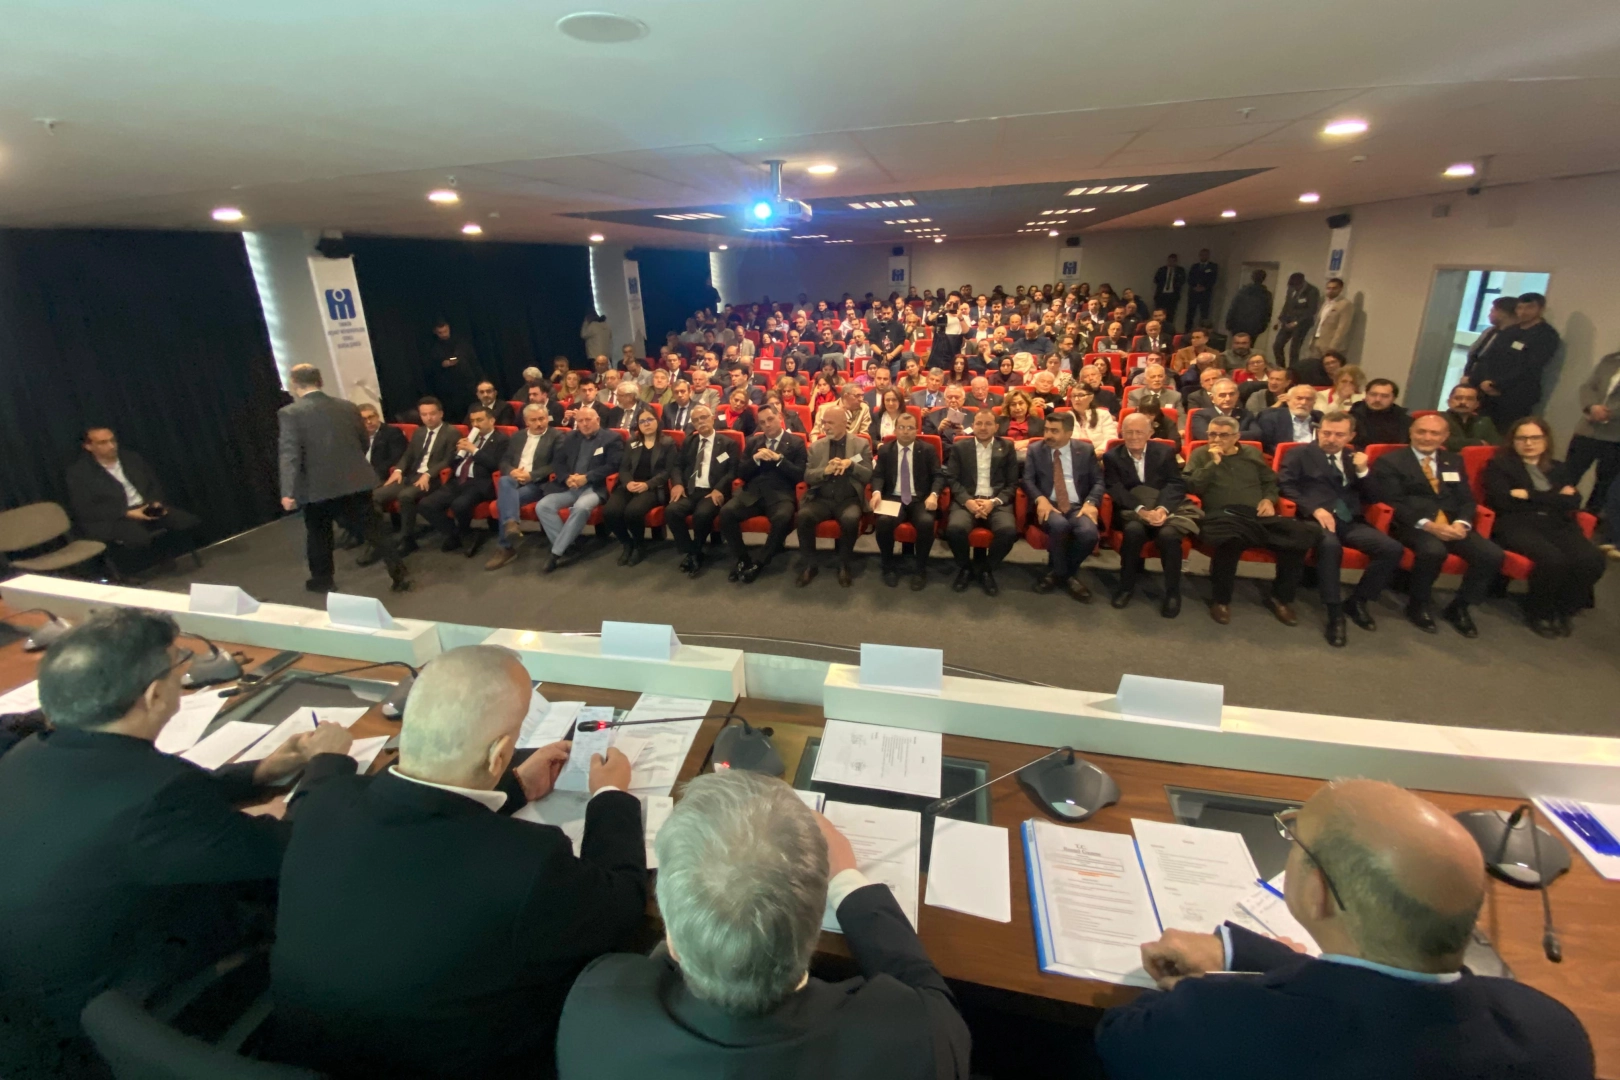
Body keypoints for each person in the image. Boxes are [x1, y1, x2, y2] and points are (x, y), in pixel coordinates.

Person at [268, 646, 645, 1080]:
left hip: (309, 1058)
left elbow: (427, 819)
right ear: (499, 754)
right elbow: (623, 904)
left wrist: (516, 787)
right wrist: (610, 796)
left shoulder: (325, 801)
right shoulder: (527, 863)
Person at [0, 609, 354, 1034]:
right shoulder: (160, 797)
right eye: (177, 667)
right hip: (120, 1007)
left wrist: (261, 772)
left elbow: (144, 796)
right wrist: (329, 765)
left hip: (38, 988)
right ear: (154, 695)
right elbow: (297, 847)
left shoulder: (30, 754)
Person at [1096, 778, 1594, 1080]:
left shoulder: (1217, 1022)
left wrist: (1202, 988)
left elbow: (1121, 1039)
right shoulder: (1553, 1035)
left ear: (1318, 892)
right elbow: (1374, 1000)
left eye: (1295, 838)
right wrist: (1252, 958)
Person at [555, 771, 970, 1080]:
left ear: (673, 943)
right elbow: (931, 999)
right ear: (814, 928)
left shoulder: (592, 1010)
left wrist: (705, 930)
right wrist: (846, 879)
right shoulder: (913, 1042)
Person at [1370, 413, 1506, 636]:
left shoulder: (1453, 461)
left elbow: (1467, 499)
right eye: (1421, 432)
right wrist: (1429, 526)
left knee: (1491, 555)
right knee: (1433, 551)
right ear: (1411, 433)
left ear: (1445, 436)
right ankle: (1418, 605)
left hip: (1453, 524)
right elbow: (1393, 502)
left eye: (1434, 433)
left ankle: (1460, 607)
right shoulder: (1391, 461)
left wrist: (1462, 523)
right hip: (1413, 524)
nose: (1427, 437)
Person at [1279, 412, 1406, 647]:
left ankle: (1358, 601)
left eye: (1339, 435)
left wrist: (1363, 471)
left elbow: (1374, 497)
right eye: (1326, 433)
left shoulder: (1353, 458)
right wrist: (1314, 509)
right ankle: (1334, 612)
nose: (1331, 439)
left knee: (1392, 548)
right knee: (1330, 546)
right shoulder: (1299, 453)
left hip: (1349, 519)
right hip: (1314, 520)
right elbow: (1286, 486)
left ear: (1350, 436)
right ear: (1318, 431)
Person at [278, 365, 408, 592]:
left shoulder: (290, 413)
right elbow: (363, 442)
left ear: (294, 383)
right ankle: (398, 574)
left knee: (319, 535)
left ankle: (323, 580)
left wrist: (288, 491)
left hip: (317, 487)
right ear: (320, 381)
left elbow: (290, 454)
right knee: (375, 530)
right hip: (355, 479)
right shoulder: (347, 407)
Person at [1184, 417, 1321, 625]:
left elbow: (1270, 481)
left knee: (1300, 535)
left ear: (1236, 437)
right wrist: (1213, 463)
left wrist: (1269, 499)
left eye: (1223, 435)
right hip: (1222, 516)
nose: (1217, 439)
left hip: (1255, 516)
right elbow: (1191, 486)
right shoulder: (1201, 454)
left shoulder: (1251, 454)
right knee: (1230, 539)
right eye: (1212, 434)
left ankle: (1281, 599)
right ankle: (1221, 601)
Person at [1486, 417, 1607, 637]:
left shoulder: (1558, 468)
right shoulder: (1500, 466)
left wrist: (1528, 495)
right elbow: (1503, 501)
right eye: (1522, 438)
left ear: (1545, 440)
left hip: (1558, 523)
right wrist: (1555, 497)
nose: (1528, 443)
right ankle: (1539, 612)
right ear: (1513, 441)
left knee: (1592, 559)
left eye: (1535, 438)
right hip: (1518, 524)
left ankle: (1563, 609)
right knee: (1553, 559)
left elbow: (1574, 501)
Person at [65, 426, 203, 563]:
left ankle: (168, 556)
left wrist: (155, 502)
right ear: (88, 446)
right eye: (103, 443)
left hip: (145, 505)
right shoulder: (79, 473)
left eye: (113, 440)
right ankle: (153, 563)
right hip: (116, 516)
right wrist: (127, 513)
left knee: (185, 520)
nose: (112, 446)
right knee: (137, 537)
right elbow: (86, 508)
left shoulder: (131, 458)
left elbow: (153, 484)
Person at [1105, 415, 1195, 616]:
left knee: (1169, 536)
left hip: (1163, 508)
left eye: (1139, 432)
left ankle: (1173, 593)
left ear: (1150, 434)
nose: (1134, 437)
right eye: (1129, 432)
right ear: (1121, 433)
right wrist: (1141, 510)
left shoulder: (1164, 452)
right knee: (1133, 530)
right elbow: (1115, 488)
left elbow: (1175, 483)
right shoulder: (1112, 457)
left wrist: (1162, 509)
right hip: (1132, 510)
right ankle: (1126, 587)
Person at [720, 405, 806, 583]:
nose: (767, 425)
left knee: (783, 518)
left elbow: (800, 475)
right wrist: (755, 460)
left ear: (780, 417)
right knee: (726, 512)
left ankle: (760, 562)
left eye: (770, 419)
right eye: (762, 422)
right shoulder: (753, 442)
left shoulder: (796, 443)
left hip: (780, 494)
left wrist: (779, 459)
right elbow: (741, 473)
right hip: (753, 493)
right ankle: (743, 558)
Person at [1023, 413, 1103, 600]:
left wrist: (1091, 502)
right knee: (1059, 525)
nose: (1048, 435)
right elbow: (1027, 480)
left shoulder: (1085, 450)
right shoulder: (1036, 450)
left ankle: (1059, 573)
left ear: (1069, 433)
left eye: (1054, 431)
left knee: (1089, 533)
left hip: (1078, 506)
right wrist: (1040, 499)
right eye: (1046, 430)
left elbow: (1098, 481)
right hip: (1049, 504)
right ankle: (1068, 577)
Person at [533, 407, 621, 572]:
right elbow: (558, 463)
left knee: (581, 507)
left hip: (594, 487)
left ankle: (555, 553)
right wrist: (567, 478)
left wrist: (587, 477)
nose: (584, 424)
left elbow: (613, 465)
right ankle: (567, 545)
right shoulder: (570, 437)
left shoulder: (611, 438)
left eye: (588, 420)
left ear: (597, 420)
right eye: (580, 421)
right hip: (570, 486)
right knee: (543, 506)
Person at [944, 408, 1018, 596]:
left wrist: (994, 502)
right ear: (973, 426)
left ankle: (986, 569)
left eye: (988, 423)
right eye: (979, 423)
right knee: (954, 529)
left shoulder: (1007, 447)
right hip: (968, 500)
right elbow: (951, 479)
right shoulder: (960, 447)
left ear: (996, 427)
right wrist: (967, 501)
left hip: (996, 502)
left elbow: (1012, 483)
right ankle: (966, 567)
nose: (983, 427)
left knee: (1008, 531)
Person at [795, 408, 872, 588]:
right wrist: (825, 471)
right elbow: (808, 476)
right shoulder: (816, 447)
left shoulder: (861, 445)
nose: (825, 426)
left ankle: (843, 564)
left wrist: (851, 464)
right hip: (821, 499)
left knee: (850, 519)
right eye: (824, 422)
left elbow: (868, 475)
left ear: (844, 424)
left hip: (848, 499)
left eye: (830, 423)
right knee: (804, 516)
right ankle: (810, 564)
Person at [419, 403, 509, 556]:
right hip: (457, 480)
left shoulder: (501, 440)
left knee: (459, 505)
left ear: (492, 420)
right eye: (473, 421)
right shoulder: (469, 438)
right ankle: (456, 534)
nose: (475, 424)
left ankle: (465, 534)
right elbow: (451, 463)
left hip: (479, 483)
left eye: (480, 420)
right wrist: (457, 452)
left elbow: (495, 465)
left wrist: (474, 450)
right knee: (425, 505)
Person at [372, 396, 457, 554]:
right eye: (424, 414)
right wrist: (398, 470)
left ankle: (407, 539)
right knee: (376, 495)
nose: (428, 418)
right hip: (411, 476)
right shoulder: (419, 431)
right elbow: (408, 455)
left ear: (441, 413)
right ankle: (377, 540)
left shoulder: (451, 432)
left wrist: (428, 474)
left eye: (432, 414)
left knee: (406, 495)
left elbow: (448, 460)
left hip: (434, 478)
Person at [484, 404, 563, 571]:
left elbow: (557, 464)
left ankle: (505, 547)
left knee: (503, 502)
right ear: (526, 421)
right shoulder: (517, 437)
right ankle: (511, 524)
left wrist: (531, 475)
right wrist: (511, 471)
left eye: (542, 419)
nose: (539, 423)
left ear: (547, 418)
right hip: (515, 478)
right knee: (505, 480)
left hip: (538, 483)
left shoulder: (557, 436)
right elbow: (504, 461)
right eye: (534, 420)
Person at [870, 414, 941, 590]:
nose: (905, 431)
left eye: (910, 428)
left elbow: (938, 476)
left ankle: (920, 569)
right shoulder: (886, 450)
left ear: (917, 430)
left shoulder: (927, 450)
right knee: (883, 522)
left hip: (920, 498)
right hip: (894, 497)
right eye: (901, 427)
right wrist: (877, 492)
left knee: (926, 522)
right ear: (895, 430)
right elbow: (878, 475)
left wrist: (934, 494)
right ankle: (888, 566)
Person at [667, 406, 736, 578]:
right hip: (690, 490)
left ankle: (695, 552)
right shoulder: (689, 442)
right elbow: (677, 466)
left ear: (712, 418)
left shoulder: (727, 443)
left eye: (704, 417)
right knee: (671, 511)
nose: (701, 422)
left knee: (702, 514)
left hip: (712, 491)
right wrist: (677, 484)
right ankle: (692, 551)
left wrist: (719, 489)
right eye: (696, 420)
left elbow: (732, 471)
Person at [1475, 293, 1560, 428]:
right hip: (1487, 391)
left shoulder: (1546, 335)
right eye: (1520, 308)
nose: (1523, 312)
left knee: (1508, 431)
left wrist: (1498, 384)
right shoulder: (1511, 330)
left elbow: (1531, 367)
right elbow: (1489, 357)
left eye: (1529, 308)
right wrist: (1485, 380)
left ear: (1541, 309)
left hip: (1516, 395)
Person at [602, 410, 675, 565]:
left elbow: (668, 471)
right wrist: (628, 482)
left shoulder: (667, 443)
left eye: (650, 420)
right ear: (638, 425)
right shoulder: (632, 442)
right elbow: (624, 468)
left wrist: (647, 485)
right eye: (642, 421)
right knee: (610, 511)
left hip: (653, 487)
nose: (646, 424)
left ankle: (639, 545)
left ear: (657, 422)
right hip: (629, 485)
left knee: (633, 512)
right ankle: (626, 543)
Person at [1565, 347, 1620, 513]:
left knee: (1604, 485)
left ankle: (1590, 518)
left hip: (1615, 436)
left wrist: (1609, 413)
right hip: (1588, 429)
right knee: (1567, 475)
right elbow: (1588, 387)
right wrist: (1592, 406)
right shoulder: (1610, 360)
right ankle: (1558, 511)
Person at [1299, 277, 1352, 386]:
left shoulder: (1345, 304)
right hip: (1317, 339)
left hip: (1330, 343)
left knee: (1331, 371)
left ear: (1340, 289)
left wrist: (1333, 346)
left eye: (1334, 288)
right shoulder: (1325, 303)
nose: (1330, 291)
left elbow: (1342, 328)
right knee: (1315, 368)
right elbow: (1319, 322)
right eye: (1328, 288)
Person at [1460, 295, 1519, 389]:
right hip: (1472, 377)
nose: (1489, 315)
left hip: (1490, 384)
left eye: (1492, 311)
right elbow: (1474, 352)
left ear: (1503, 313)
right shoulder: (1490, 331)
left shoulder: (1517, 336)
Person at [427, 317, 481, 420]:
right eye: (440, 333)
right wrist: (443, 364)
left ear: (449, 328)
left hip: (468, 384)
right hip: (450, 389)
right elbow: (431, 371)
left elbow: (473, 362)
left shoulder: (461, 343)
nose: (444, 334)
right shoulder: (434, 349)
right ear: (435, 333)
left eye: (445, 331)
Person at [1245, 384, 1321, 455]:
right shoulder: (1271, 418)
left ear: (1314, 403)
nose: (1303, 402)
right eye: (1299, 398)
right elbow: (1267, 446)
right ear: (1288, 401)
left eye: (1309, 399)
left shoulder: (1319, 417)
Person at [1272, 272, 1320, 371]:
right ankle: (1281, 368)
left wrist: (1297, 322)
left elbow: (1312, 310)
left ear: (1302, 282)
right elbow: (1287, 305)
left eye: (1296, 286)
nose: (1295, 288)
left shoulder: (1312, 291)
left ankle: (1292, 371)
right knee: (1277, 345)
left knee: (1294, 350)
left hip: (1302, 323)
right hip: (1287, 320)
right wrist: (1279, 319)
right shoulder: (1291, 289)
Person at [1348, 378, 1411, 449]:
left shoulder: (1405, 421)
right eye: (1373, 394)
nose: (1377, 399)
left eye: (1384, 396)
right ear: (1366, 395)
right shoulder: (1351, 418)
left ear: (1394, 398)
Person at [1188, 378, 1248, 443]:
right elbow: (1203, 435)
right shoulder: (1200, 415)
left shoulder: (1246, 414)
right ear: (1212, 398)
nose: (1228, 399)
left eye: (1231, 394)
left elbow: (1254, 434)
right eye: (1222, 395)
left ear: (1237, 396)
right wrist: (1232, 435)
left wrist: (1220, 435)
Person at [1441, 384, 1500, 450]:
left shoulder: (1484, 422)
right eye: (1458, 398)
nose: (1463, 402)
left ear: (1477, 404)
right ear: (1448, 402)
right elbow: (1443, 441)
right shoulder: (1438, 419)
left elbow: (1496, 445)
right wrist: (1478, 442)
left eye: (1469, 399)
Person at [358, 402, 407, 481]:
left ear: (377, 416)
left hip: (382, 477)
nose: (369, 422)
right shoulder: (357, 436)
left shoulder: (392, 432)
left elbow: (395, 459)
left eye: (371, 417)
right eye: (364, 419)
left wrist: (371, 475)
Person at [1224, 268, 1274, 341]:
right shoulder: (1266, 294)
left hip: (1238, 324)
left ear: (1252, 277)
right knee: (1249, 345)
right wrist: (1262, 327)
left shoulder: (1243, 291)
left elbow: (1233, 307)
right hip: (1255, 326)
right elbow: (1268, 313)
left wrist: (1228, 323)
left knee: (1237, 343)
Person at [996, 388, 1046, 456]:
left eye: (1021, 403)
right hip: (1005, 454)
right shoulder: (998, 422)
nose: (1018, 408)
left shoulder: (1040, 423)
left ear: (1027, 404)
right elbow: (994, 442)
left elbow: (1044, 442)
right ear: (1008, 407)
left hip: (1031, 454)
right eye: (1013, 404)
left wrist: (1027, 443)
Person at [1069, 384, 1119, 451]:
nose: (1076, 399)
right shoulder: (1066, 417)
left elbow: (1111, 438)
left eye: (1081, 395)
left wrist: (1098, 451)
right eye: (1073, 396)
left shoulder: (1103, 414)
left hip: (1099, 453)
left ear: (1091, 397)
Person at [1184, 248, 1218, 331]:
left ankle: (1203, 331)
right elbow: (1190, 278)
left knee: (1204, 314)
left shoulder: (1212, 266)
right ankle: (1187, 331)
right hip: (1193, 293)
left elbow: (1213, 279)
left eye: (1205, 255)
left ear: (1208, 256)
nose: (1203, 256)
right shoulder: (1195, 266)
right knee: (1190, 314)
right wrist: (1194, 286)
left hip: (1205, 294)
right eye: (1202, 255)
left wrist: (1204, 287)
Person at [1152, 253, 1186, 324]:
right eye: (1170, 261)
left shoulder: (1180, 270)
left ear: (1176, 261)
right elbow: (1156, 280)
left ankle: (1169, 327)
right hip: (1161, 295)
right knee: (1158, 313)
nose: (1171, 262)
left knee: (1170, 314)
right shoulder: (1162, 270)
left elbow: (1182, 281)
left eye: (1173, 261)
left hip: (1172, 295)